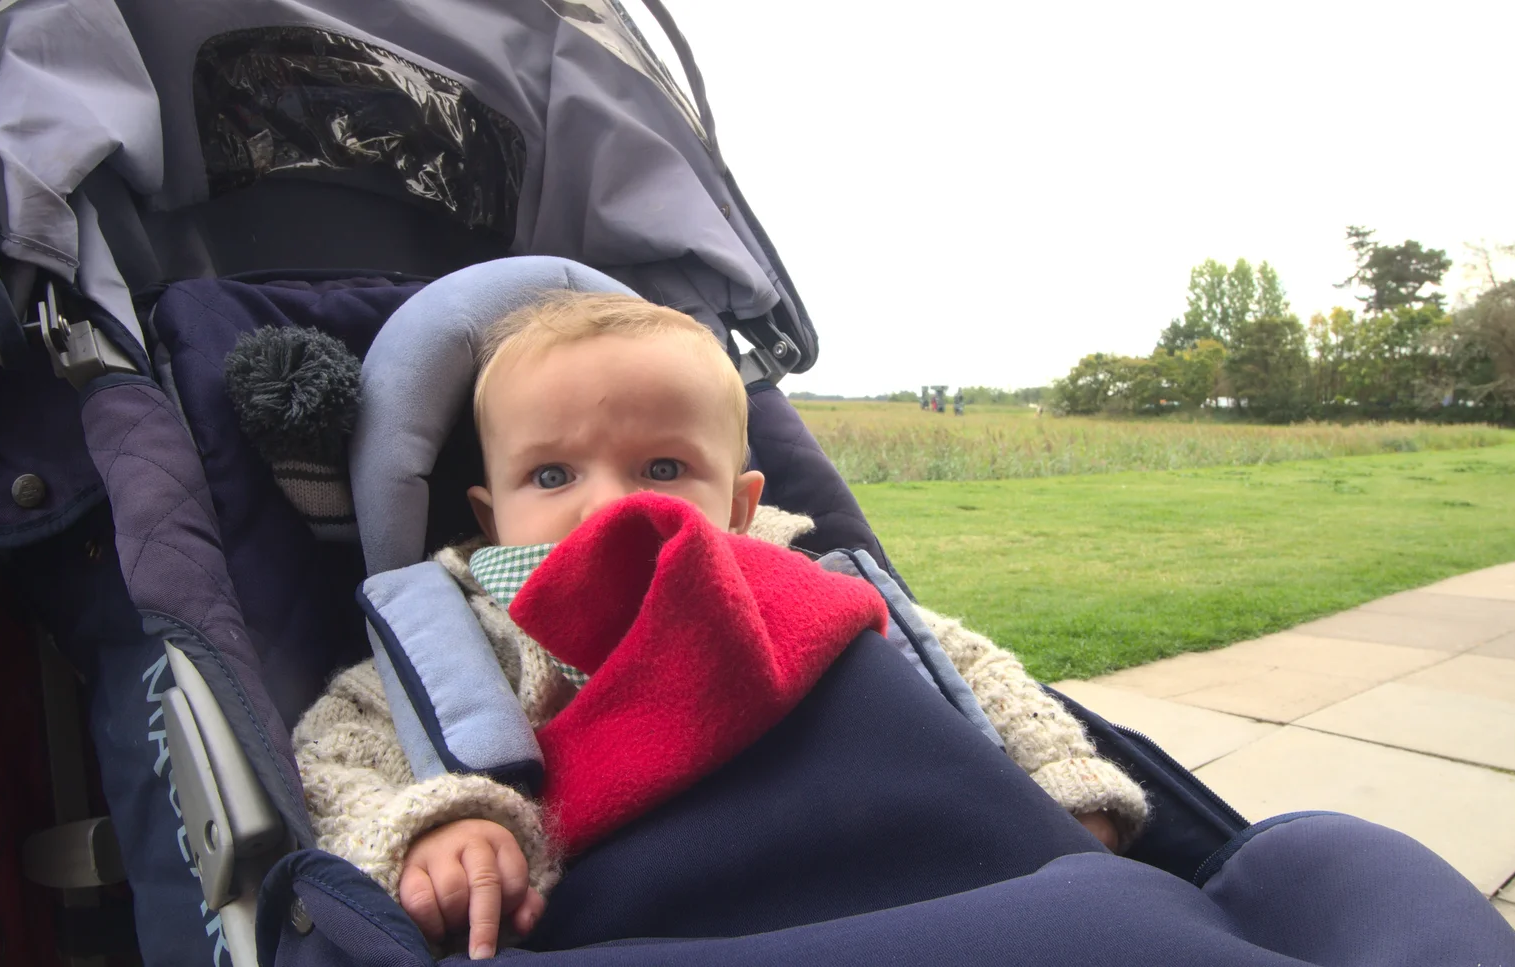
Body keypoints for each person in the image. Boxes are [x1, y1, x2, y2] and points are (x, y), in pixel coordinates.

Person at [292, 293, 1148, 959]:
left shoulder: (806, 580)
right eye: (552, 472)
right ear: (491, 511)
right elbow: (332, 755)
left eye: (662, 467)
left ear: (741, 504)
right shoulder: (460, 638)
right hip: (643, 920)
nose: (610, 504)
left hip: (913, 875)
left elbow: (964, 668)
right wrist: (433, 827)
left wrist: (1060, 777)